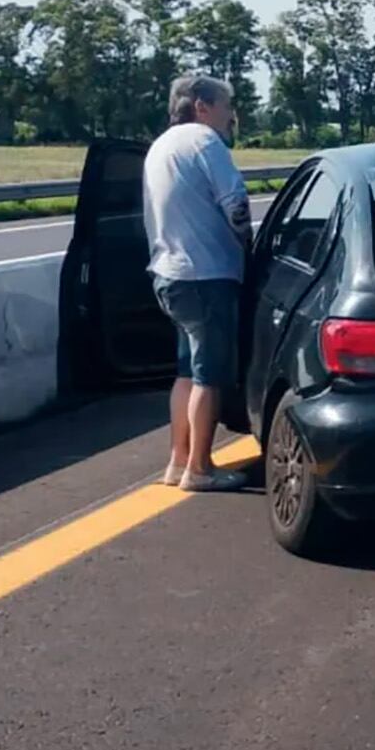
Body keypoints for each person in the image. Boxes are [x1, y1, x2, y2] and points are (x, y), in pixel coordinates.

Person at [143, 75, 252, 492]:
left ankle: (178, 461)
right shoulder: (206, 143)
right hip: (207, 274)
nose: (231, 115)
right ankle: (201, 468)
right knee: (210, 375)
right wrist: (249, 247)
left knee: (186, 372)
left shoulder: (162, 146)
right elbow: (237, 205)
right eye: (226, 105)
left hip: (170, 273)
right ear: (202, 106)